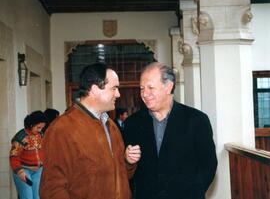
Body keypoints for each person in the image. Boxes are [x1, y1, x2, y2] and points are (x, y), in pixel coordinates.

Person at [40, 62, 141, 199]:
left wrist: (128, 161)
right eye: (114, 88)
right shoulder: (61, 129)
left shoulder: (110, 125)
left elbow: (120, 175)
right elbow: (52, 188)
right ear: (94, 89)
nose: (118, 94)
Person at [123, 62, 218, 199]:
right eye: (142, 88)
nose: (145, 94)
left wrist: (193, 193)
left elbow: (208, 165)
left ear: (168, 87)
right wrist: (127, 160)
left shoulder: (196, 120)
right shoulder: (132, 123)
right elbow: (127, 171)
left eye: (151, 88)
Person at [10, 111, 47, 199]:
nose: (40, 130)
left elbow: (43, 151)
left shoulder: (41, 135)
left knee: (37, 197)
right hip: (24, 171)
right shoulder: (21, 137)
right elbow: (14, 156)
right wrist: (20, 172)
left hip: (38, 171)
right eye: (38, 127)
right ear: (31, 124)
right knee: (27, 197)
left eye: (42, 128)